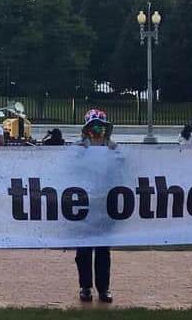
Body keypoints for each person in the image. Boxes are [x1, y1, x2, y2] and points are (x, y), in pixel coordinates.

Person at [75, 109, 117, 304]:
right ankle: (85, 287)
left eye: (100, 127)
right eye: (93, 127)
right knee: (83, 250)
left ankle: (104, 288)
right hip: (83, 205)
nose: (97, 130)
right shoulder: (78, 148)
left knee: (102, 250)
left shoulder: (114, 148)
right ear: (87, 130)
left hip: (104, 204)